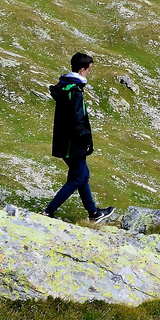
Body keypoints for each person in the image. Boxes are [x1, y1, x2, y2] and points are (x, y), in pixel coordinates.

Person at [45, 51, 115, 221]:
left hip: (65, 142)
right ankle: (49, 211)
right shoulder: (74, 91)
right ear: (82, 69)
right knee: (76, 178)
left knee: (82, 175)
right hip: (73, 144)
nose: (90, 73)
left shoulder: (65, 86)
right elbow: (76, 121)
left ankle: (94, 213)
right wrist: (86, 138)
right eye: (89, 69)